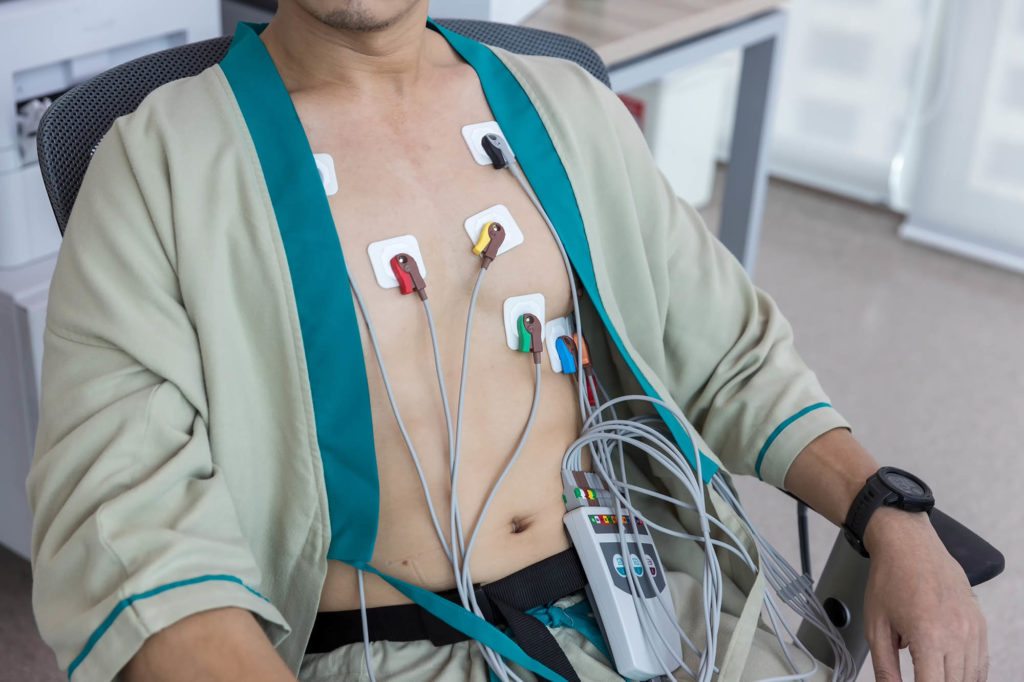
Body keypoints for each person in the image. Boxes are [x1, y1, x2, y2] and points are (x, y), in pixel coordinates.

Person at [28, 1, 986, 681]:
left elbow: (734, 352)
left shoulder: (567, 113)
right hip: (385, 649)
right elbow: (131, 532)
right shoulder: (161, 166)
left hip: (650, 611)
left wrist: (893, 517)